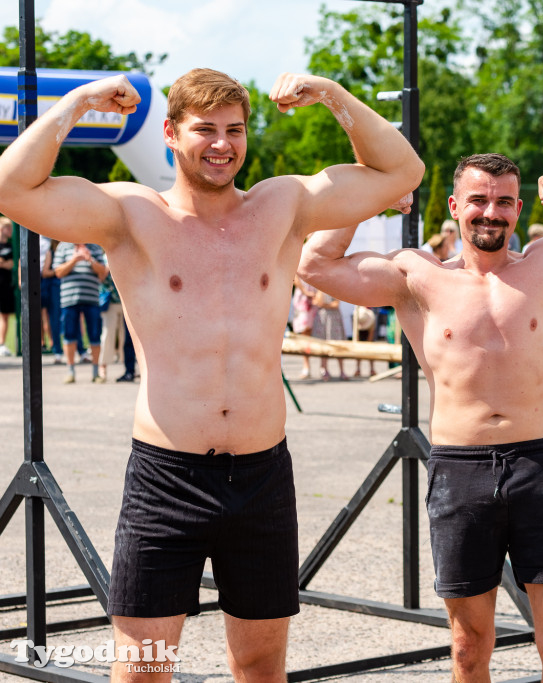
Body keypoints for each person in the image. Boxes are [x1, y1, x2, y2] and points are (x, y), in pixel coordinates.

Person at [0, 67, 423, 680]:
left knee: (259, 665)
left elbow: (401, 173)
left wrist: (331, 94)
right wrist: (78, 101)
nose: (222, 144)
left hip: (261, 473)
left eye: (235, 130)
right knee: (144, 667)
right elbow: (11, 188)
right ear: (170, 133)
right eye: (205, 130)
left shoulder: (282, 206)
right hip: (166, 475)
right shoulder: (131, 214)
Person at [298, 153, 543, 682]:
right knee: (470, 646)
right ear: (455, 207)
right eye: (477, 200)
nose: (489, 213)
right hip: (459, 471)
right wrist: (376, 195)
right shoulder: (417, 275)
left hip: (539, 465)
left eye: (502, 202)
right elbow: (314, 264)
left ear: (518, 209)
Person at [53, 241, 108, 382]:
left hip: (92, 299)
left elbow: (103, 272)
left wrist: (90, 259)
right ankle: (70, 372)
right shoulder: (63, 247)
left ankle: (96, 373)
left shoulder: (95, 247)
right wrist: (75, 259)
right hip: (69, 299)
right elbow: (58, 272)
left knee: (95, 335)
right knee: (69, 335)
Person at [0, 217, 15, 356]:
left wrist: (4, 263)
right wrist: (6, 263)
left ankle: (2, 344)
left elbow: (12, 264)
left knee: (5, 315)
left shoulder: (11, 246)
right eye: (8, 228)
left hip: (6, 285)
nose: (11, 231)